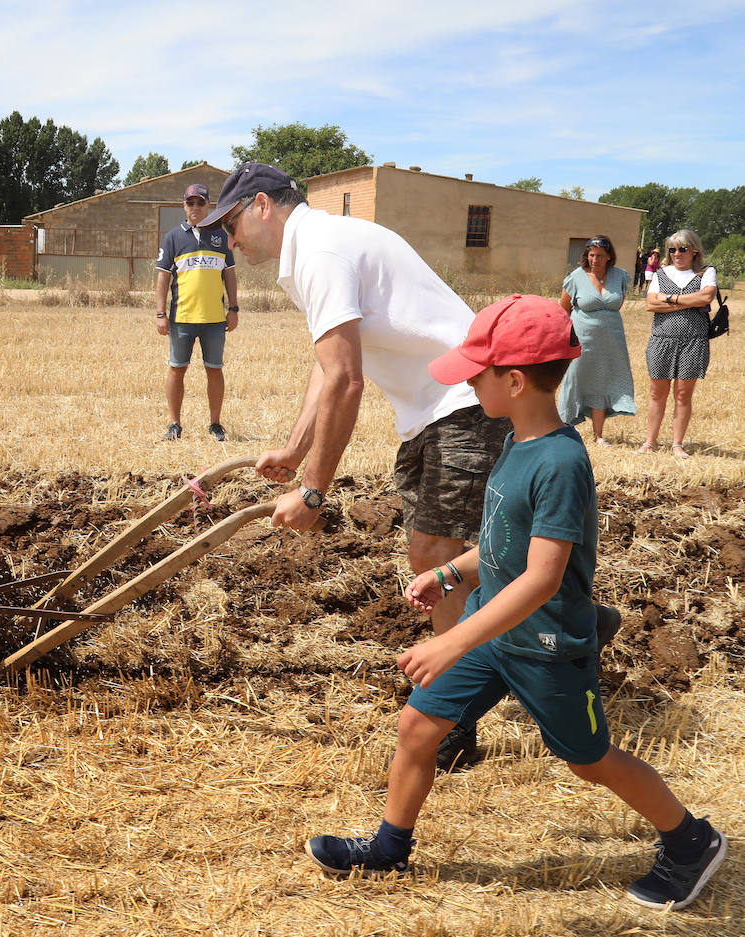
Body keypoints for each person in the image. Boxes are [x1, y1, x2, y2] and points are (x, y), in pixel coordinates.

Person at [306, 295, 727, 911]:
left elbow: (543, 579)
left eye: (477, 372)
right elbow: (501, 542)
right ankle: (389, 849)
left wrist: (452, 638)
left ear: (514, 379)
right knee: (418, 726)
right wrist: (450, 572)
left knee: (587, 759)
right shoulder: (515, 443)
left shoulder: (559, 461)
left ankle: (692, 841)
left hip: (545, 643)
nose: (469, 382)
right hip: (493, 629)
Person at [201, 162, 508, 768]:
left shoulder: (321, 250)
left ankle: (453, 715)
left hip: (468, 398)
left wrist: (314, 491)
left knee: (435, 554)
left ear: (262, 205)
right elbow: (329, 365)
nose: (226, 239)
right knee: (444, 554)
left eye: (230, 223)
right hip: (433, 408)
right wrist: (294, 452)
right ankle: (561, 624)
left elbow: (346, 378)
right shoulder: (315, 249)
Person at [153, 183, 239, 441]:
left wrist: (233, 308)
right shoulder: (173, 238)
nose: (195, 207)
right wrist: (160, 313)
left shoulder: (221, 237)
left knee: (214, 369)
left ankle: (215, 424)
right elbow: (162, 278)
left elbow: (230, 275)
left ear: (208, 206)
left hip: (214, 320)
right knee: (177, 369)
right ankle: (174, 425)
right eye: (190, 203)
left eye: (200, 202)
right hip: (182, 319)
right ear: (184, 205)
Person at [641, 230, 716, 459]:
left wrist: (670, 298)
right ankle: (650, 442)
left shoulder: (706, 272)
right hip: (662, 340)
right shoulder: (662, 273)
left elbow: (706, 298)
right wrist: (688, 301)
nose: (676, 254)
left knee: (683, 395)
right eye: (672, 249)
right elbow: (650, 304)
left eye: (682, 249)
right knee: (657, 394)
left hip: (694, 342)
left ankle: (677, 444)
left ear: (694, 251)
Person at [557, 235, 636, 444]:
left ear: (609, 256)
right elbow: (564, 308)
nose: (594, 259)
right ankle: (564, 431)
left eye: (600, 255)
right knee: (574, 380)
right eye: (591, 255)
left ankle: (598, 436)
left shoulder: (620, 276)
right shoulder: (576, 277)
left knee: (602, 382)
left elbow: (617, 304)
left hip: (612, 341)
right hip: (582, 340)